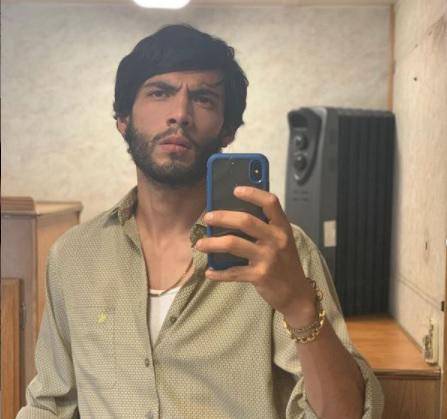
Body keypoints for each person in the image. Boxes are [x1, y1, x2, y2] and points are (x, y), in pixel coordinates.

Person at [17, 24, 383, 419]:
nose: (179, 114)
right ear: (123, 118)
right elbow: (49, 404)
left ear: (227, 129)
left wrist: (299, 306)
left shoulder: (277, 253)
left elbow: (345, 414)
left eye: (203, 98)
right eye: (159, 92)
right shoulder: (74, 256)